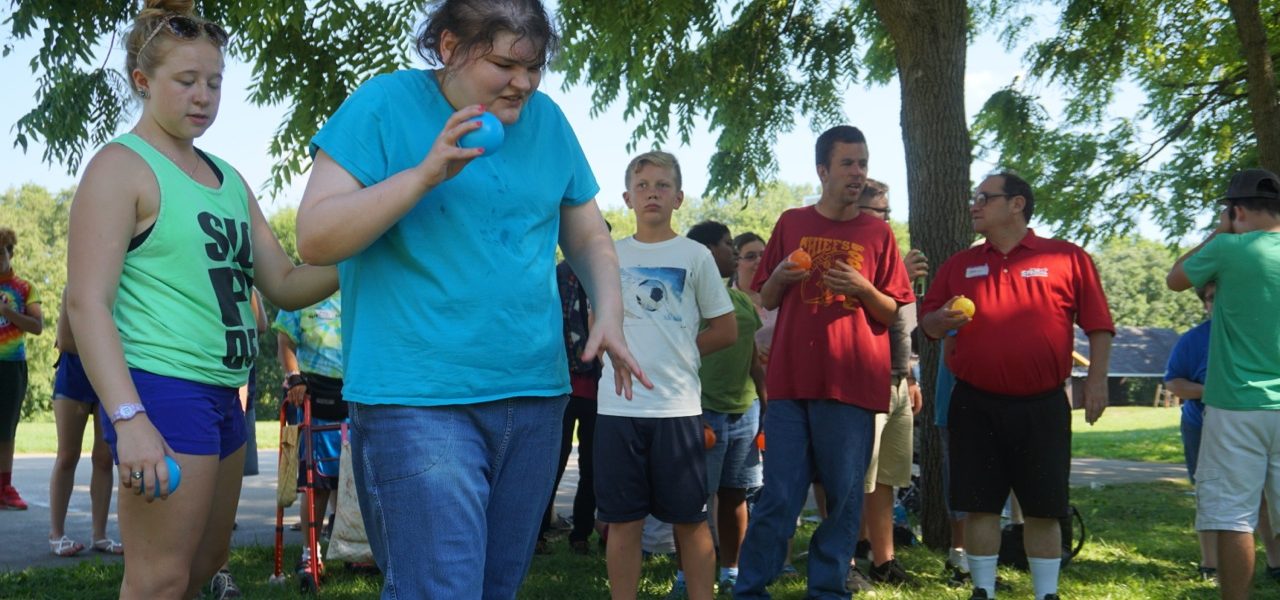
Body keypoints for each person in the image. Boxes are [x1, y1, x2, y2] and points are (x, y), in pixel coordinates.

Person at [293, 1, 648, 596]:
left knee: (494, 589)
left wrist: (608, 310)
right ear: (450, 47)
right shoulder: (384, 104)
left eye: (534, 67)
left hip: (535, 397)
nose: (524, 84)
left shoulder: (548, 121)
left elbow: (588, 235)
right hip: (418, 401)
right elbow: (316, 236)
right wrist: (423, 176)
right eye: (506, 65)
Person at [65, 2, 338, 596]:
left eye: (214, 83)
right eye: (186, 81)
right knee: (159, 579)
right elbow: (86, 303)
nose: (203, 97)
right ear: (142, 80)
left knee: (203, 566)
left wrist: (364, 256)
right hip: (162, 388)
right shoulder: (121, 167)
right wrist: (129, 418)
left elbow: (284, 282)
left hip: (226, 393)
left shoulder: (229, 179)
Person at [734, 125, 914, 600]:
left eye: (863, 163)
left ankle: (829, 590)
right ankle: (750, 589)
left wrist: (862, 288)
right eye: (847, 163)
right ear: (822, 170)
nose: (857, 173)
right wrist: (780, 274)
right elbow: (768, 297)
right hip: (792, 384)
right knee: (779, 496)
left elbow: (891, 310)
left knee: (845, 499)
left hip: (853, 387)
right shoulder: (792, 222)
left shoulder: (878, 233)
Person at [921, 172, 1114, 600]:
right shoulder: (959, 264)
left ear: (1016, 204)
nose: (974, 205)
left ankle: (1047, 593)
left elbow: (1099, 325)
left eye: (984, 197)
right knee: (980, 505)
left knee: (1045, 507)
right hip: (974, 403)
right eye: (974, 197)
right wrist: (939, 319)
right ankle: (982, 590)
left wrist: (1097, 381)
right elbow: (928, 325)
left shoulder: (1067, 257)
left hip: (1043, 404)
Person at [597, 152, 736, 600]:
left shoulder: (696, 256)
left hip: (677, 407)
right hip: (618, 407)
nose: (652, 193)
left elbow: (726, 329)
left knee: (690, 521)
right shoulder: (609, 256)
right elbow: (598, 324)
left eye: (662, 185)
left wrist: (682, 352)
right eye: (642, 186)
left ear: (678, 197)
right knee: (623, 522)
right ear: (627, 198)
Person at [1167, 168, 1280, 600]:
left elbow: (1176, 279)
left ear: (1236, 211)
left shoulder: (1228, 248)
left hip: (1235, 405)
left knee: (1234, 518)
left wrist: (1219, 231)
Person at [1164, 281, 1280, 585]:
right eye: (1211, 298)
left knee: (1265, 494)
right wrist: (1215, 391)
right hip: (1203, 426)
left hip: (1257, 424)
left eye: (1224, 296)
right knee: (1209, 492)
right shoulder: (1194, 339)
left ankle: (1275, 561)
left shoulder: (1261, 331)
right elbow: (1174, 382)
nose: (1218, 302)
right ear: (1205, 304)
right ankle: (1211, 564)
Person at [850, 179, 927, 588]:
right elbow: (858, 316)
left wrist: (910, 375)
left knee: (885, 478)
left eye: (889, 212)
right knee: (852, 476)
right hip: (862, 378)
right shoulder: (851, 255)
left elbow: (902, 328)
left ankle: (884, 561)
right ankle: (844, 562)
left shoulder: (891, 257)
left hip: (896, 379)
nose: (888, 220)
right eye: (881, 212)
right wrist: (898, 278)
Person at [688, 220, 765, 593]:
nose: (733, 251)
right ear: (705, 251)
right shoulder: (686, 298)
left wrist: (764, 402)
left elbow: (752, 356)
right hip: (703, 410)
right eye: (726, 243)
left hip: (745, 411)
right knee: (695, 500)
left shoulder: (741, 300)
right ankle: (686, 576)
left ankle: (731, 572)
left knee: (737, 494)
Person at [535, 252, 606, 555]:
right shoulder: (555, 277)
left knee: (592, 466)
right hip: (559, 386)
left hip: (598, 388)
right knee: (552, 463)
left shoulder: (605, 281)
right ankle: (537, 533)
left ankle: (581, 533)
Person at [274, 291, 346, 581]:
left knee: (356, 481)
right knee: (317, 482)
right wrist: (294, 377)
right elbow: (285, 341)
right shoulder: (301, 288)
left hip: (355, 391)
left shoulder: (354, 282)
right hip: (314, 395)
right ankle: (310, 553)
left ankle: (357, 549)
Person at [47, 290, 120, 557]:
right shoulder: (74, 287)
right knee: (67, 455)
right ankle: (56, 534)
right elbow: (65, 341)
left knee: (104, 458)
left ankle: (99, 535)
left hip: (108, 376)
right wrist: (107, 349)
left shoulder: (120, 289)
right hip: (74, 375)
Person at [0, 226, 43, 511]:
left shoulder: (25, 288)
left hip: (11, 366)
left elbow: (37, 327)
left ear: (10, 252)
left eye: (0, 252)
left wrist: (8, 313)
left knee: (6, 429)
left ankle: (5, 487)